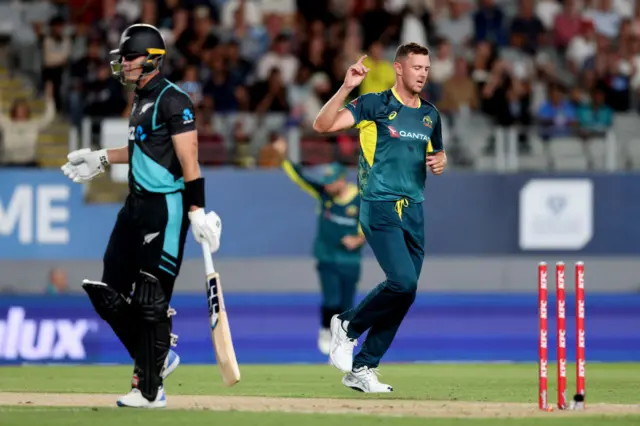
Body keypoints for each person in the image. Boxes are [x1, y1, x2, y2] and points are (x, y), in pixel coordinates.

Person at [60, 24, 222, 408]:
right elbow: (144, 150)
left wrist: (197, 210)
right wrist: (100, 157)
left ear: (151, 60)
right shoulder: (140, 99)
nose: (124, 64)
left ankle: (149, 390)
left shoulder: (173, 99)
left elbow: (189, 160)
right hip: (134, 207)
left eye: (130, 57)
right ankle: (158, 354)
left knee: (151, 299)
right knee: (109, 294)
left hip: (167, 209)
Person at [313, 42, 447, 392]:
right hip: (379, 203)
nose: (423, 74)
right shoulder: (375, 103)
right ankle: (346, 325)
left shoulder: (431, 115)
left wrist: (441, 162)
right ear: (398, 69)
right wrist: (346, 87)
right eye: (417, 67)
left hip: (414, 209)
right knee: (402, 282)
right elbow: (322, 125)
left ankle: (363, 367)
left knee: (405, 292)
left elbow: (436, 155)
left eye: (427, 68)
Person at [272, 138, 365, 355]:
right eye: (326, 182)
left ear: (342, 180)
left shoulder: (360, 199)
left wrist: (358, 240)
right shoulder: (324, 195)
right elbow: (299, 176)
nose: (328, 186)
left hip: (350, 260)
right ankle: (325, 330)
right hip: (327, 256)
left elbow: (371, 226)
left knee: (347, 303)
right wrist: (283, 156)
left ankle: (343, 341)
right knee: (331, 300)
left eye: (332, 181)